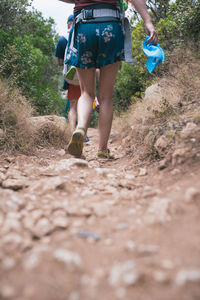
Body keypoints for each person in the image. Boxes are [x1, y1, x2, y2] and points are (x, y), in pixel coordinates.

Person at [61, 0, 158, 158]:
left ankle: (80, 129)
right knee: (105, 96)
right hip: (111, 26)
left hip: (83, 26)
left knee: (86, 93)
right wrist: (148, 21)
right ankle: (102, 149)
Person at [55, 14, 81, 133]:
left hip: (72, 76)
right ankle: (82, 132)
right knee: (85, 102)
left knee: (73, 106)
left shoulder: (62, 40)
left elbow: (60, 62)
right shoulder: (83, 36)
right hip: (87, 73)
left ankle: (72, 132)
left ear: (68, 24)